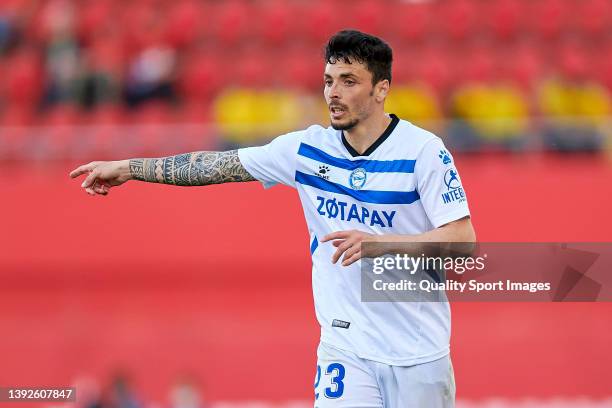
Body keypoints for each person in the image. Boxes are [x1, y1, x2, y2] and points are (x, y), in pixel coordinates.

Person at [70, 30, 476, 408]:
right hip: (346, 347)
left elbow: (463, 240)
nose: (333, 93)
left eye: (349, 81)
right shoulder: (307, 149)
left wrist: (380, 244)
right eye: (328, 80)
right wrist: (129, 167)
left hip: (419, 352)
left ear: (381, 89)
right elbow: (218, 165)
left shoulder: (424, 151)